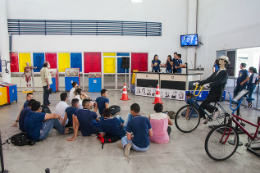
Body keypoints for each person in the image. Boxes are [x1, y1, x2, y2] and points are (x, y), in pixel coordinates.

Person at [193, 56, 229, 125]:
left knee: (205, 103)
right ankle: (204, 118)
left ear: (225, 62)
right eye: (219, 60)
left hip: (217, 93)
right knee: (202, 106)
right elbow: (208, 79)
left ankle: (216, 110)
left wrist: (210, 85)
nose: (219, 61)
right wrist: (199, 83)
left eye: (221, 60)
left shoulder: (225, 73)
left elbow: (219, 82)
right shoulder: (217, 72)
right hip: (212, 92)